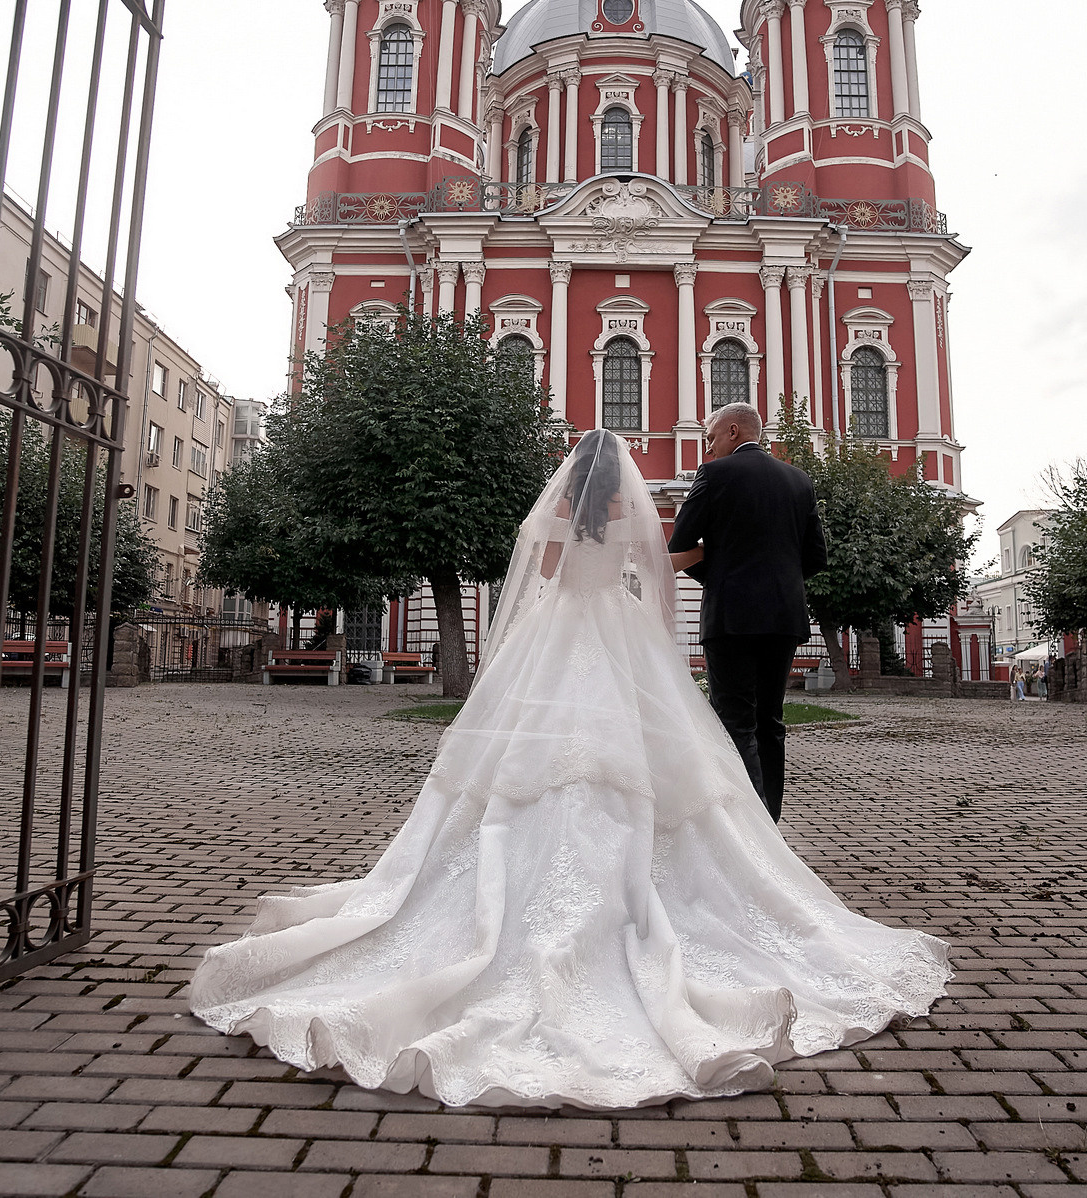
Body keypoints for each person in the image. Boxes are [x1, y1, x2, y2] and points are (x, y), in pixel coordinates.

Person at [188, 429, 949, 1110]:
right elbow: (653, 586)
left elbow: (541, 580)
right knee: (717, 742)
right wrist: (656, 652)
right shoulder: (630, 516)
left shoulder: (554, 518)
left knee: (524, 771)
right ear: (616, 483)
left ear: (568, 475)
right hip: (620, 637)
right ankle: (734, 846)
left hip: (557, 636)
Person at [667, 403, 826, 821]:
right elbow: (815, 557)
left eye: (712, 438)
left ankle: (748, 824)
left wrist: (720, 574)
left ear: (733, 431)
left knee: (735, 720)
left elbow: (680, 543)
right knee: (770, 720)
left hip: (732, 619)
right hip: (784, 618)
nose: (710, 448)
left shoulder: (715, 475)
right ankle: (770, 817)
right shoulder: (799, 480)